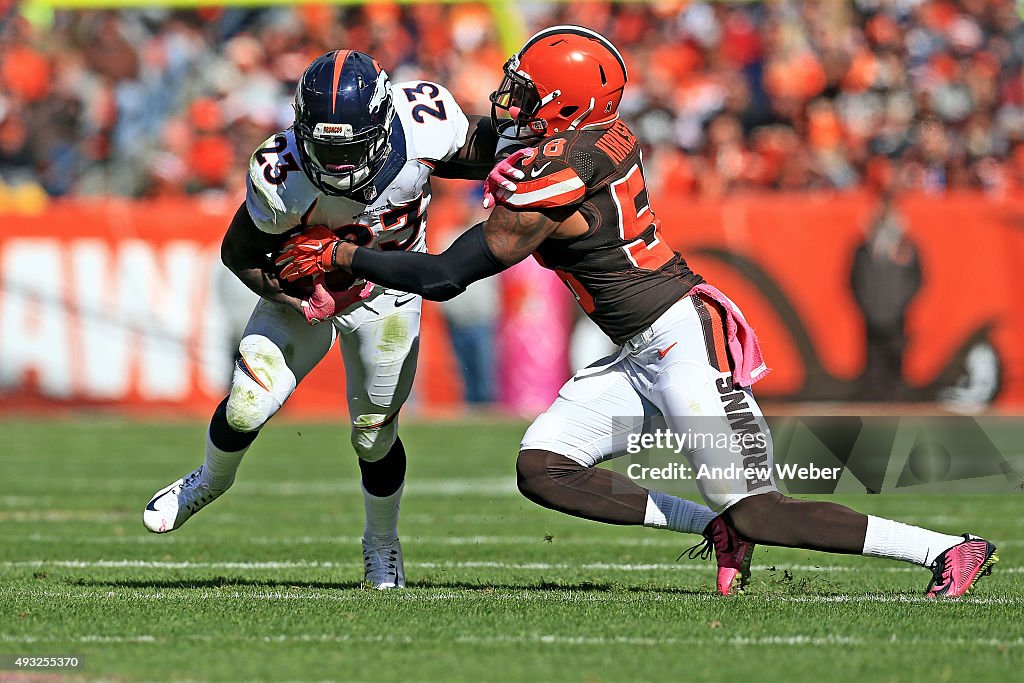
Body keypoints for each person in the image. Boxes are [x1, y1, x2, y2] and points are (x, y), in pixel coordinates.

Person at [275, 28, 998, 598]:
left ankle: (943, 548)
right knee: (543, 466)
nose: (508, 100)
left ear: (565, 104)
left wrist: (342, 257)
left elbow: (442, 275)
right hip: (636, 349)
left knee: (762, 508)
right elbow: (503, 173)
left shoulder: (556, 175)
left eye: (526, 91)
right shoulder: (587, 140)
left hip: (682, 344)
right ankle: (715, 528)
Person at [143, 50, 513, 589]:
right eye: (326, 148)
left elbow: (478, 148)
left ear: (385, 121)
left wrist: (521, 163)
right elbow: (239, 253)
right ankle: (210, 480)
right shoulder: (281, 173)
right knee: (246, 407)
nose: (339, 165)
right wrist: (295, 299)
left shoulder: (424, 123)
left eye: (351, 147)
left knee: (372, 436)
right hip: (308, 292)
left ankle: (382, 543)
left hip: (387, 294)